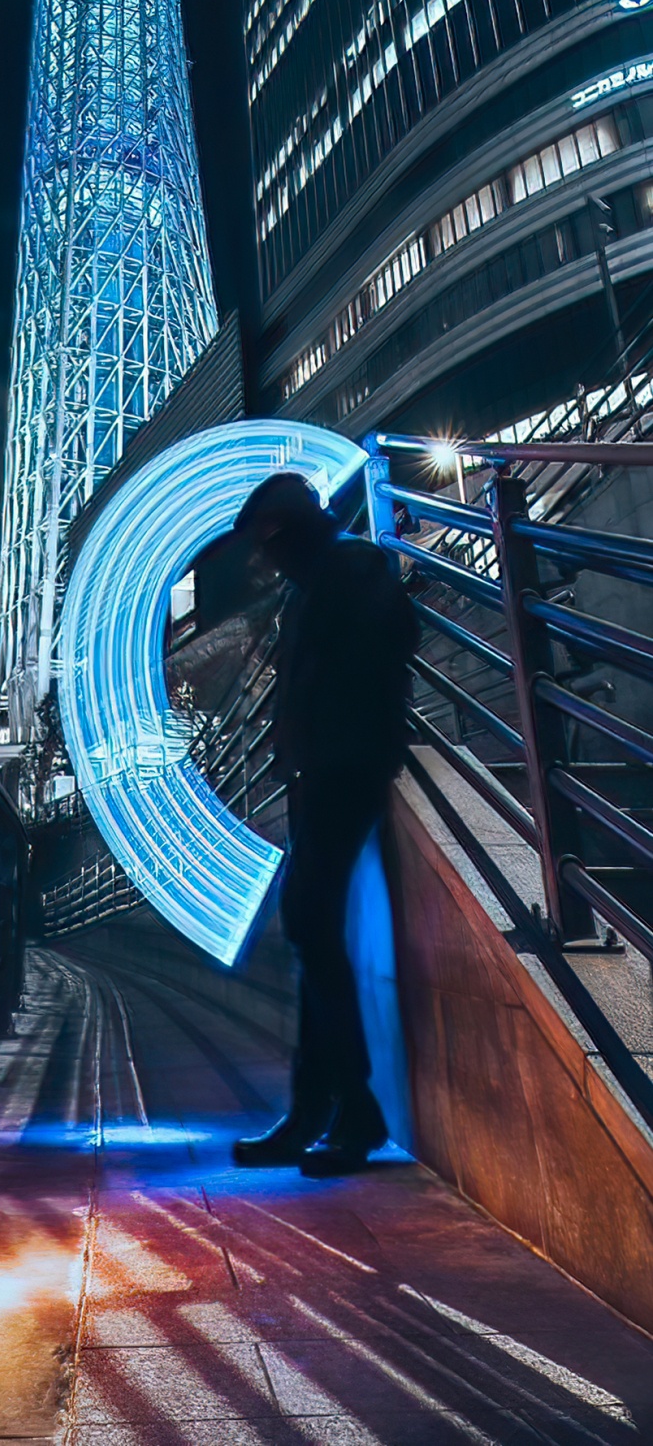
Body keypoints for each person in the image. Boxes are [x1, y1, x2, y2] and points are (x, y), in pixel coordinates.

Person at [231, 471, 417, 1178]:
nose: (266, 559)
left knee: (310, 927)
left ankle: (350, 1115)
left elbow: (388, 643)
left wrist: (329, 734)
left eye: (269, 542)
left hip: (345, 771)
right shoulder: (314, 584)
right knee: (310, 935)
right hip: (324, 774)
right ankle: (319, 1114)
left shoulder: (351, 566)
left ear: (290, 532)